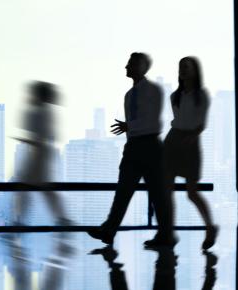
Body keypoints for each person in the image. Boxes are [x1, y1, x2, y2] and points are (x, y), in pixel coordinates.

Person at [89, 52, 175, 248]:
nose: (126, 67)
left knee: (157, 194)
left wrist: (130, 126)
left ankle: (164, 236)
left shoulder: (153, 90)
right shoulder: (129, 95)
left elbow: (154, 122)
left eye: (130, 64)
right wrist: (130, 132)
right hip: (134, 147)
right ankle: (109, 231)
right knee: (123, 191)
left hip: (151, 147)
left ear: (142, 67)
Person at [163, 56, 218, 250]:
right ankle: (167, 232)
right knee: (166, 190)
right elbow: (178, 120)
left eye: (187, 67)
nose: (183, 70)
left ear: (195, 70)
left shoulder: (201, 95)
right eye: (181, 67)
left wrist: (191, 136)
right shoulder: (174, 96)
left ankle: (210, 227)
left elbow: (201, 123)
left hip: (190, 142)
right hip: (173, 140)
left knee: (191, 193)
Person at [13, 81, 71, 227]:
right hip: (42, 153)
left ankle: (19, 220)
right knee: (44, 189)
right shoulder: (46, 111)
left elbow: (40, 136)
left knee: (25, 186)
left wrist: (26, 140)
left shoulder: (40, 111)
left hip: (38, 154)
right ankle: (62, 218)